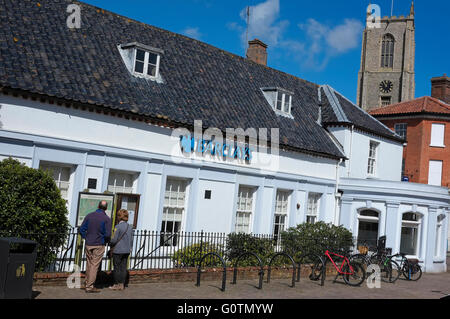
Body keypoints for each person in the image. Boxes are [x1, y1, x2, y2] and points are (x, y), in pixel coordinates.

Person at [79, 200, 112, 293]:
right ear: (106, 208)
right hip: (99, 244)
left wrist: (86, 237)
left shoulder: (89, 215)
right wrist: (104, 241)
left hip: (89, 243)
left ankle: (86, 283)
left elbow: (82, 229)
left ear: (98, 206)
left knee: (89, 264)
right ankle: (89, 286)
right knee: (94, 265)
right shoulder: (106, 219)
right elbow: (108, 234)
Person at [109, 209, 133, 291]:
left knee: (117, 268)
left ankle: (116, 284)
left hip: (118, 250)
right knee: (123, 268)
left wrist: (110, 242)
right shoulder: (130, 227)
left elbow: (114, 240)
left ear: (119, 217)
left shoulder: (117, 227)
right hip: (127, 250)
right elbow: (131, 240)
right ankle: (122, 284)